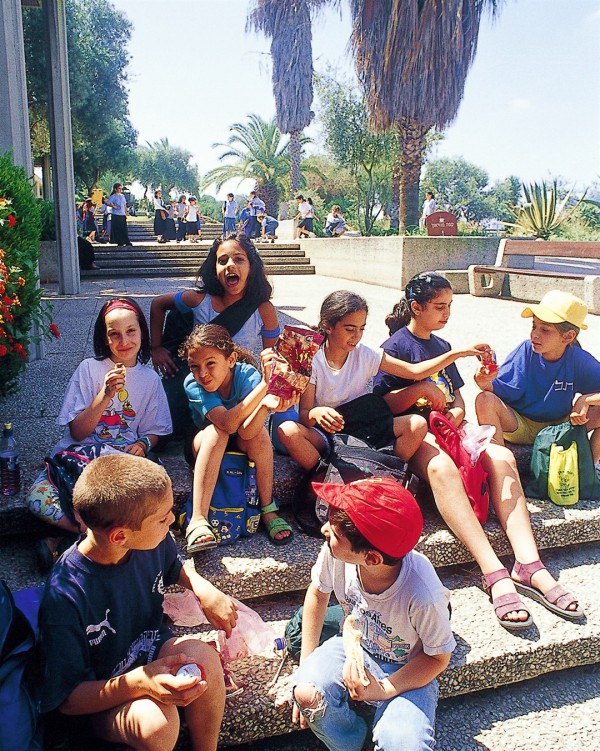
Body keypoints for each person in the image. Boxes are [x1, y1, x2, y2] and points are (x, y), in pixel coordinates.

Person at [372, 273, 583, 629]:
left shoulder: (441, 345)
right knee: (442, 469)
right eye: (439, 307)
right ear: (416, 307)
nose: (446, 313)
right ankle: (494, 571)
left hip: (449, 428)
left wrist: (453, 412)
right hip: (418, 432)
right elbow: (381, 407)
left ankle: (529, 563)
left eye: (450, 306)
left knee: (501, 456)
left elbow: (457, 397)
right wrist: (420, 393)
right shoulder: (394, 348)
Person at [38, 453, 236, 751]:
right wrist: (141, 683)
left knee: (204, 659)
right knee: (157, 723)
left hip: (149, 654)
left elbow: (174, 566)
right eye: (163, 517)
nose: (172, 520)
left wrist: (202, 588)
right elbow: (68, 700)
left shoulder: (149, 539)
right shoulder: (65, 598)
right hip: (101, 699)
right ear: (120, 536)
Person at [292, 477, 454, 751]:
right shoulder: (335, 554)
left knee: (405, 745)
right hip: (354, 647)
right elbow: (318, 595)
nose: (323, 531)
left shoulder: (423, 594)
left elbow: (438, 657)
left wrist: (385, 689)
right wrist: (304, 668)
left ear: (372, 559)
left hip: (407, 667)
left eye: (333, 533)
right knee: (307, 693)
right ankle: (353, 742)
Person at [27, 298, 172, 571]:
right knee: (37, 498)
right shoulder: (89, 370)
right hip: (79, 460)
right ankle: (89, 536)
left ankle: (69, 543)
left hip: (120, 464)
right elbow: (78, 432)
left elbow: (155, 431)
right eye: (114, 334)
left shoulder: (150, 379)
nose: (124, 341)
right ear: (104, 339)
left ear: (142, 332)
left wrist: (143, 443)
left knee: (148, 496)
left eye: (131, 331)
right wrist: (105, 395)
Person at [277, 290, 483, 471]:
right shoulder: (313, 358)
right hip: (325, 432)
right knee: (287, 430)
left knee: (417, 424)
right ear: (328, 326)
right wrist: (317, 412)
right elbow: (304, 416)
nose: (356, 336)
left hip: (360, 426)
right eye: (350, 329)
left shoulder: (365, 354)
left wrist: (458, 353)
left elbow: (414, 371)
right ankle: (325, 477)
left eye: (362, 329)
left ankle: (383, 472)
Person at [150, 232, 280, 446]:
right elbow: (157, 304)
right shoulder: (200, 300)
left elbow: (271, 357)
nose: (230, 265)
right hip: (205, 380)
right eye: (222, 261)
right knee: (169, 437)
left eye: (239, 259)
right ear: (215, 269)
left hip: (238, 383)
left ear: (252, 267)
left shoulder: (263, 309)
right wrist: (156, 347)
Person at [180, 323, 295, 551]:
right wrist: (265, 385)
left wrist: (265, 406)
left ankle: (268, 509)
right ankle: (198, 520)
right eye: (195, 366)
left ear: (231, 360)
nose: (202, 373)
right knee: (218, 432)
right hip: (205, 442)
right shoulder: (193, 383)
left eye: (210, 363)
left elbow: (246, 432)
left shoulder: (246, 375)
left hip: (242, 438)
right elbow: (226, 423)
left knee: (261, 435)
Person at [474, 290, 600, 463]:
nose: (535, 334)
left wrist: (586, 399)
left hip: (560, 427)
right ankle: (501, 465)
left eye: (545, 330)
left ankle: (590, 468)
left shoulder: (578, 359)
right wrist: (484, 382)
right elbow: (501, 390)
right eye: (534, 326)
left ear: (568, 336)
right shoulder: (526, 350)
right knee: (484, 399)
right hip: (520, 426)